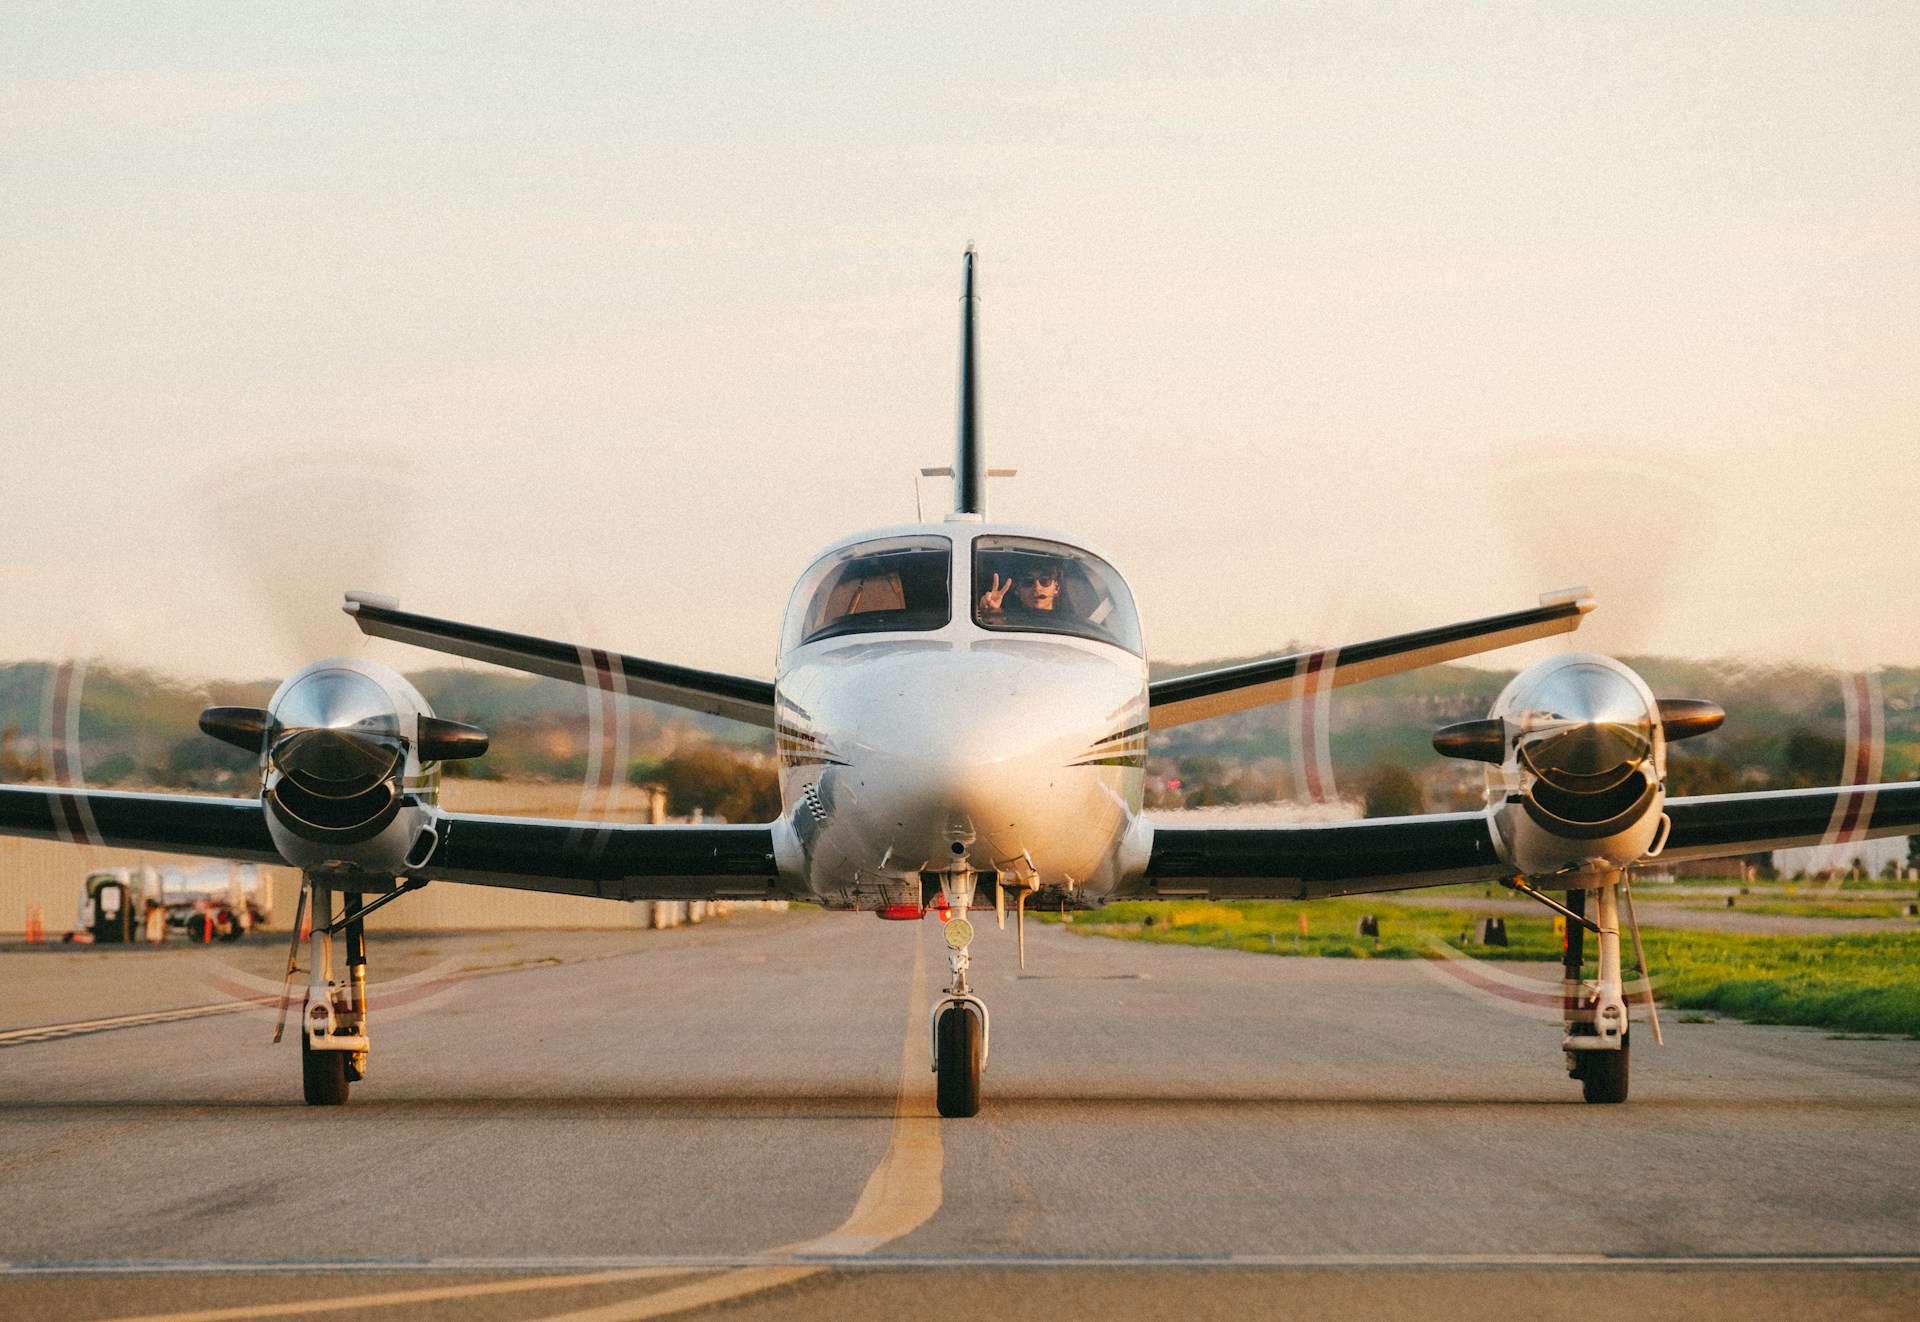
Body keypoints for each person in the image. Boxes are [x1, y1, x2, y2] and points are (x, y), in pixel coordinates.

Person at [979, 562, 1063, 622]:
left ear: (1057, 587)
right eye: (1028, 581)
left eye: (1044, 580)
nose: (1037, 588)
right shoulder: (1008, 622)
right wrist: (992, 613)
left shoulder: (1071, 625)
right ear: (1016, 589)